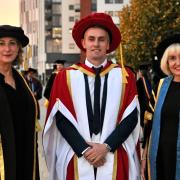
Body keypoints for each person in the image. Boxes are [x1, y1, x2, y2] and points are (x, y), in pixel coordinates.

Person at [43, 12, 140, 180]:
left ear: (108, 44)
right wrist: (84, 149)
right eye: (91, 39)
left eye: (101, 39)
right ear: (83, 43)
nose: (96, 44)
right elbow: (60, 118)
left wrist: (106, 147)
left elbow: (131, 117)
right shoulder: (65, 76)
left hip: (114, 152)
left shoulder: (125, 76)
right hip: (77, 153)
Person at [0, 25, 40, 180]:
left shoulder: (20, 79)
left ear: (18, 48)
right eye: (1, 43)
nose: (7, 49)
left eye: (12, 43)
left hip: (24, 152)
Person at [141, 33, 180, 180]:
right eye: (172, 58)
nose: (177, 63)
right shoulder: (160, 87)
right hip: (159, 157)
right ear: (167, 62)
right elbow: (148, 125)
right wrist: (144, 158)